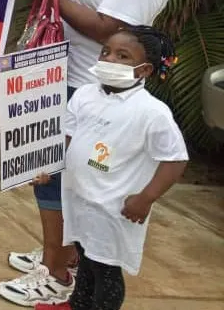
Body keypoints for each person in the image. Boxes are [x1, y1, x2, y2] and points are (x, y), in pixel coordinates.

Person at [0, 0, 204, 307]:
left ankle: (56, 272)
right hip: (62, 71)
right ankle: (62, 251)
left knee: (54, 177)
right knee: (52, 174)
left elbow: (109, 29)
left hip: (90, 83)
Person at [32, 26, 186, 310]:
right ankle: (78, 304)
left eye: (123, 56)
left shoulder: (152, 112)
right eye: (106, 51)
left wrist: (145, 198)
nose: (110, 59)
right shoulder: (85, 95)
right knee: (85, 257)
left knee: (106, 270)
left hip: (113, 207)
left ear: (144, 70)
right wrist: (48, 168)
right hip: (78, 198)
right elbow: (68, 136)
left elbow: (175, 159)